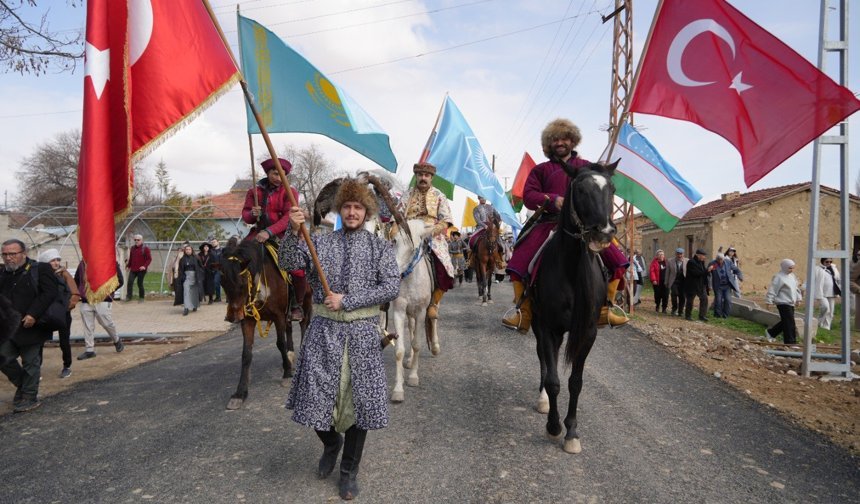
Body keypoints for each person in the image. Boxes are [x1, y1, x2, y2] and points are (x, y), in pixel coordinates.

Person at [278, 177, 399, 501]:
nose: (352, 212)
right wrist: (292, 231)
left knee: (360, 405)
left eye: (358, 206)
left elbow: (391, 287)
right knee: (315, 396)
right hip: (324, 332)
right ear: (338, 209)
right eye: (346, 206)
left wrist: (348, 300)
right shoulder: (319, 241)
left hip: (361, 334)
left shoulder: (380, 247)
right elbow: (288, 263)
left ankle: (348, 472)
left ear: (367, 211)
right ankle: (332, 443)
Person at [502, 118, 629, 333]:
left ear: (572, 141)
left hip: (584, 227)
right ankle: (523, 310)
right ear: (548, 144)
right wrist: (553, 200)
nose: (559, 142)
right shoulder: (540, 170)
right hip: (549, 222)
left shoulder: (587, 167)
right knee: (520, 258)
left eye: (564, 138)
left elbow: (601, 188)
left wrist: (604, 173)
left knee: (617, 259)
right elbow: (529, 196)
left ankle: (607, 306)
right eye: (555, 139)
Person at [242, 157, 306, 321]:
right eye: (274, 173)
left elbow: (288, 217)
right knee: (237, 262)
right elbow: (246, 216)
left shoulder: (290, 192)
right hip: (257, 234)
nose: (278, 178)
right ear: (267, 173)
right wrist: (252, 214)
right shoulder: (254, 192)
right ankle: (239, 301)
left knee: (297, 269)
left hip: (282, 236)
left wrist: (269, 232)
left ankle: (296, 304)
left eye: (282, 174)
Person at [0, 239, 55, 412]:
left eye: (13, 254)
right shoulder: (2, 273)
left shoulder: (41, 269)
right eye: (5, 255)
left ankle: (29, 397)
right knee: (4, 358)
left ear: (24, 253)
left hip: (32, 325)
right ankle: (24, 387)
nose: (9, 258)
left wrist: (33, 314)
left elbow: (50, 293)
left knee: (31, 362)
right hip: (8, 328)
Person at [397, 162, 455, 320]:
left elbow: (447, 219)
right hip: (409, 234)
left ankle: (434, 303)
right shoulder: (407, 194)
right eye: (420, 175)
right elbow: (398, 215)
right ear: (416, 176)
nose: (423, 178)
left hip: (431, 233)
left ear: (431, 178)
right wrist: (396, 229)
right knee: (391, 258)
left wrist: (432, 231)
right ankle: (386, 297)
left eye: (427, 175)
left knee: (445, 268)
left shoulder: (439, 195)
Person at [38, 249, 80, 379]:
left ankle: (67, 366)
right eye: (53, 260)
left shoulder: (64, 274)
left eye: (58, 260)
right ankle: (36, 368)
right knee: (38, 341)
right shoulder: (39, 275)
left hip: (63, 313)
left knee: (64, 340)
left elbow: (75, 293)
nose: (56, 263)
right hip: (44, 313)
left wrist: (67, 307)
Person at [73, 259, 125, 360]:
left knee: (106, 323)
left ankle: (116, 340)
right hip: (86, 299)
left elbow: (120, 280)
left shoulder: (109, 260)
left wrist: (107, 291)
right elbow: (77, 279)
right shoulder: (82, 263)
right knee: (88, 325)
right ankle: (89, 350)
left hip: (103, 299)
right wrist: (80, 292)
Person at [765, 259, 803, 344]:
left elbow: (796, 289)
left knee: (787, 321)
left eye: (793, 268)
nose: (791, 270)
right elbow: (773, 289)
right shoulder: (778, 277)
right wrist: (769, 301)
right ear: (785, 267)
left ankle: (771, 332)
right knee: (790, 322)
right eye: (790, 268)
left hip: (790, 302)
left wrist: (798, 299)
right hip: (782, 302)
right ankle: (790, 342)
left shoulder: (792, 276)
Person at [470, 195, 504, 269]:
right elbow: (478, 220)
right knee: (471, 240)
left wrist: (501, 213)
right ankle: (471, 259)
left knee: (500, 242)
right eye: (482, 197)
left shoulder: (491, 207)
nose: (483, 199)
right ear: (479, 198)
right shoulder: (476, 209)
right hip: (481, 227)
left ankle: (500, 260)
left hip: (491, 228)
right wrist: (485, 226)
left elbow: (498, 216)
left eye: (485, 197)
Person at [708, 252, 743, 318]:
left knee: (728, 300)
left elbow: (736, 270)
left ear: (723, 259)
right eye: (718, 259)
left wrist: (740, 276)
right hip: (718, 286)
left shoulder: (728, 262)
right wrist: (709, 285)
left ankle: (725, 315)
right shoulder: (712, 263)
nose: (720, 261)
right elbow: (708, 275)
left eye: (721, 259)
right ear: (716, 259)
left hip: (727, 285)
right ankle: (718, 315)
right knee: (718, 300)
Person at [173, 244, 203, 316]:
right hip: (186, 277)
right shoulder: (182, 258)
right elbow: (178, 267)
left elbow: (201, 267)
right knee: (186, 291)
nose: (188, 251)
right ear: (185, 251)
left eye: (189, 249)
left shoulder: (196, 257)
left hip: (195, 276)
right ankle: (186, 308)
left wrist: (199, 275)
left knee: (194, 292)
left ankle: (194, 305)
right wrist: (181, 276)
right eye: (186, 249)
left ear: (192, 250)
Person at [683, 249, 711, 322]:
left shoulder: (702, 262)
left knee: (704, 299)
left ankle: (702, 316)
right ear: (698, 255)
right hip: (692, 285)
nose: (704, 257)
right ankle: (688, 315)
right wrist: (707, 271)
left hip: (701, 285)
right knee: (690, 300)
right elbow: (696, 273)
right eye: (703, 255)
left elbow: (703, 273)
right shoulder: (691, 262)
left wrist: (708, 271)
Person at [814, 257, 841, 330]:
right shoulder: (817, 269)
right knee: (826, 308)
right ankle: (819, 323)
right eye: (827, 262)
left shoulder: (833, 268)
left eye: (830, 262)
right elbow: (811, 279)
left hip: (832, 292)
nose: (829, 263)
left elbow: (838, 279)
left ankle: (826, 327)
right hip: (821, 293)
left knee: (831, 311)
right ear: (822, 261)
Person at [125, 234, 152, 302]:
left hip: (141, 270)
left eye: (138, 240)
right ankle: (129, 297)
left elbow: (149, 259)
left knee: (139, 283)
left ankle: (141, 297)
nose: (136, 241)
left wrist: (144, 266)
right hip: (133, 269)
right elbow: (131, 258)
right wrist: (128, 266)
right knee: (130, 282)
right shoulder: (132, 248)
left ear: (142, 240)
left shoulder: (145, 248)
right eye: (135, 240)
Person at [666, 247, 687, 316]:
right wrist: (666, 282)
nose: (679, 255)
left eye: (681, 254)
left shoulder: (687, 261)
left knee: (682, 296)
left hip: (683, 282)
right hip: (674, 281)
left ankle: (680, 311)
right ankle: (674, 309)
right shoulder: (670, 261)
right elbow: (667, 272)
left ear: (683, 254)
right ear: (676, 254)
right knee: (674, 295)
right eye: (678, 254)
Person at [209, 237, 223, 302]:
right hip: (213, 269)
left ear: (218, 242)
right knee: (216, 283)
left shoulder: (222, 250)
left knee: (218, 282)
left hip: (221, 269)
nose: (213, 243)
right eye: (212, 242)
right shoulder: (211, 251)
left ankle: (225, 298)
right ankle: (218, 297)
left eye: (214, 242)